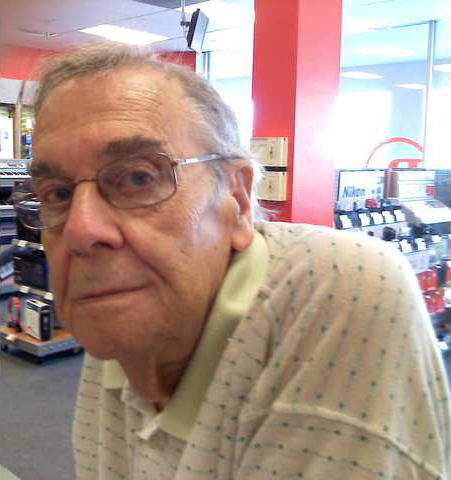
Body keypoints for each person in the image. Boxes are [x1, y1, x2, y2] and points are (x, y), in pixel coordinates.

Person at [13, 44, 451, 479]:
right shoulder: (122, 315)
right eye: (58, 194)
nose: (81, 230)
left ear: (238, 200)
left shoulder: (341, 286)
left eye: (138, 177)